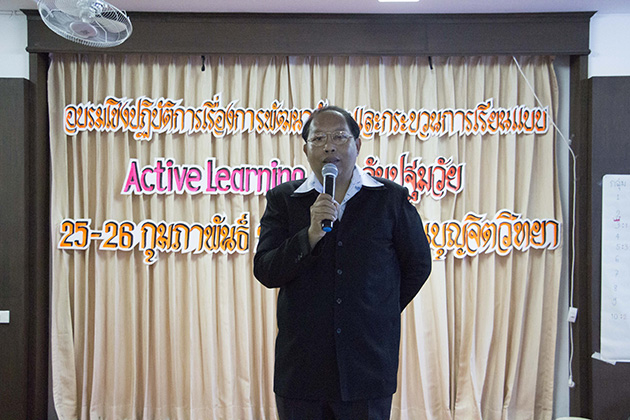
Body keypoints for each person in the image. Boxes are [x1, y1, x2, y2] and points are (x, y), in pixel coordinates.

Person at [254, 105, 432, 420]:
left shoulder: (389, 199)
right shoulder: (284, 200)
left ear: (357, 144)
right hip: (302, 369)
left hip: (367, 368)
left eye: (339, 137)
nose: (329, 146)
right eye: (318, 138)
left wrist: (379, 310)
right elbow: (266, 270)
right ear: (305, 149)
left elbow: (418, 264)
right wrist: (309, 236)